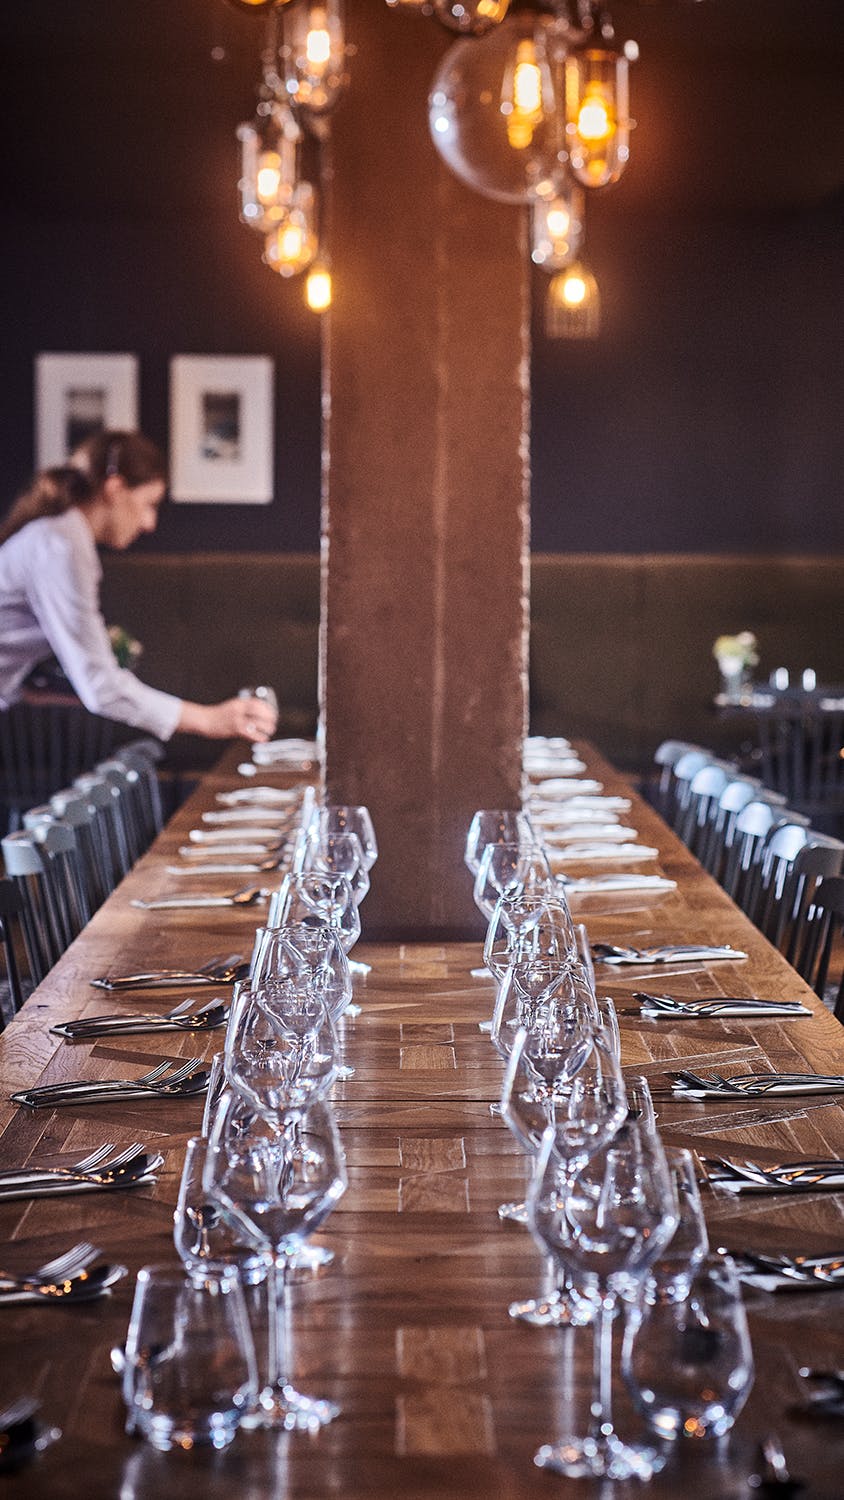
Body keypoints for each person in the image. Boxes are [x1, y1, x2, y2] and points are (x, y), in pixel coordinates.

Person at [0, 431, 277, 744]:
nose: (150, 523)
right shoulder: (60, 546)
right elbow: (101, 686)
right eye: (149, 504)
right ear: (115, 489)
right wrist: (210, 719)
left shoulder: (58, 537)